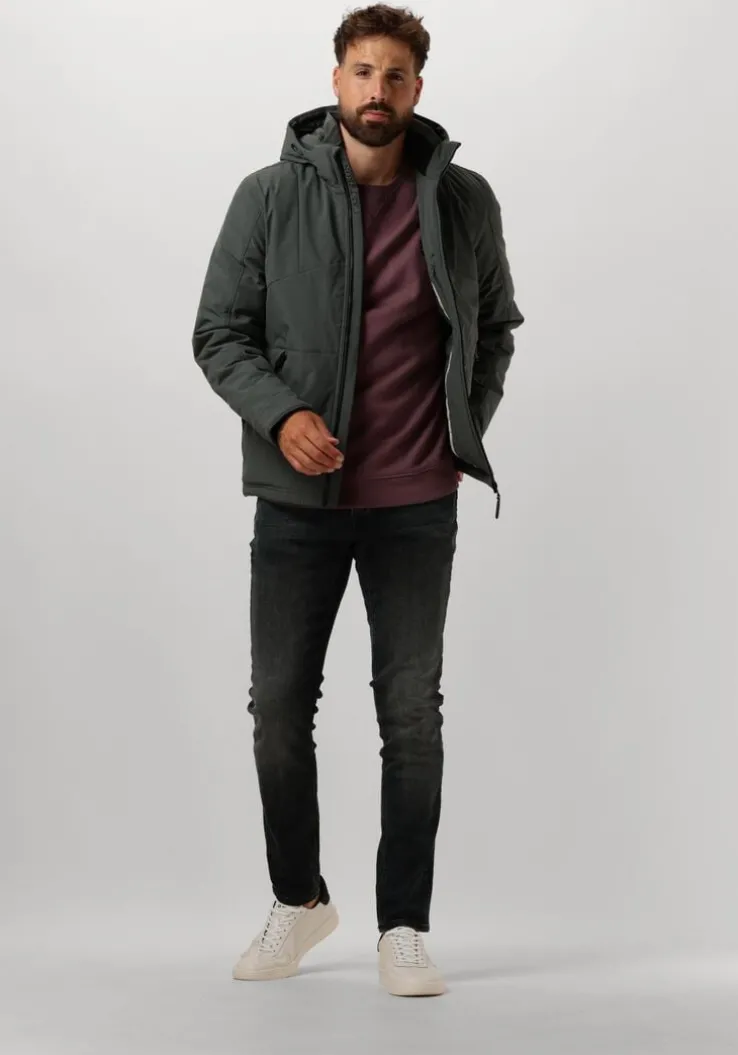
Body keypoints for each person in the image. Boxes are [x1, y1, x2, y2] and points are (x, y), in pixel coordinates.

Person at [192, 3, 524, 997]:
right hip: (300, 501)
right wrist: (282, 413)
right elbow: (219, 332)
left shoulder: (463, 200)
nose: (379, 91)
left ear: (418, 89)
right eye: (363, 72)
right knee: (278, 710)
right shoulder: (267, 196)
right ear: (336, 79)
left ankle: (404, 925)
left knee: (410, 714)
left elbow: (496, 325)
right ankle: (299, 899)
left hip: (417, 501)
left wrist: (463, 427)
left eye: (397, 76)